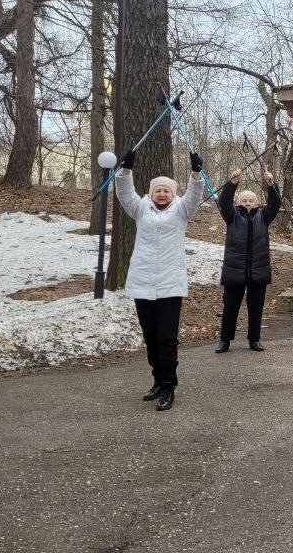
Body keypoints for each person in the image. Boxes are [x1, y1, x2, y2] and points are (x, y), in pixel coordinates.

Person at [115, 149, 204, 411]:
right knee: (151, 337)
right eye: (158, 190)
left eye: (167, 190)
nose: (162, 194)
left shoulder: (181, 211)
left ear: (173, 194)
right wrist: (126, 170)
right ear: (151, 193)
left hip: (170, 284)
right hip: (142, 283)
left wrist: (196, 174)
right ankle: (157, 380)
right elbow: (124, 194)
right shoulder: (141, 208)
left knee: (167, 338)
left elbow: (194, 195)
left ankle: (168, 386)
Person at [215, 168, 281, 353]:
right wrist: (232, 183)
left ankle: (254, 339)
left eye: (251, 200)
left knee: (256, 308)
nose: (248, 203)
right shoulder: (231, 216)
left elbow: (275, 204)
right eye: (244, 200)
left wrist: (271, 185)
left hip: (258, 270)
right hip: (234, 270)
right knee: (230, 307)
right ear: (238, 203)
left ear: (257, 203)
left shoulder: (264, 216)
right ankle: (224, 340)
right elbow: (224, 201)